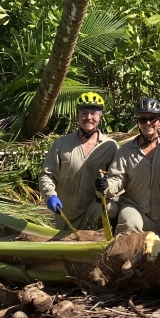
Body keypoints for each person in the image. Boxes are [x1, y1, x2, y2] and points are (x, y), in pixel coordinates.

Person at [97, 97, 160, 240]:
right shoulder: (125, 150)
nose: (147, 123)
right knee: (129, 225)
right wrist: (105, 187)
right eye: (143, 119)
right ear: (138, 122)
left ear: (159, 121)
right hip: (132, 207)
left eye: (152, 118)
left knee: (159, 246)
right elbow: (116, 179)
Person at [39, 92, 119, 231]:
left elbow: (119, 178)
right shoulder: (61, 144)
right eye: (84, 113)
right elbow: (47, 175)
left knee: (112, 208)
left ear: (101, 116)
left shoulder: (110, 146)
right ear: (77, 115)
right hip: (65, 214)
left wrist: (107, 186)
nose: (88, 117)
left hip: (92, 212)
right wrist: (50, 195)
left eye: (94, 113)